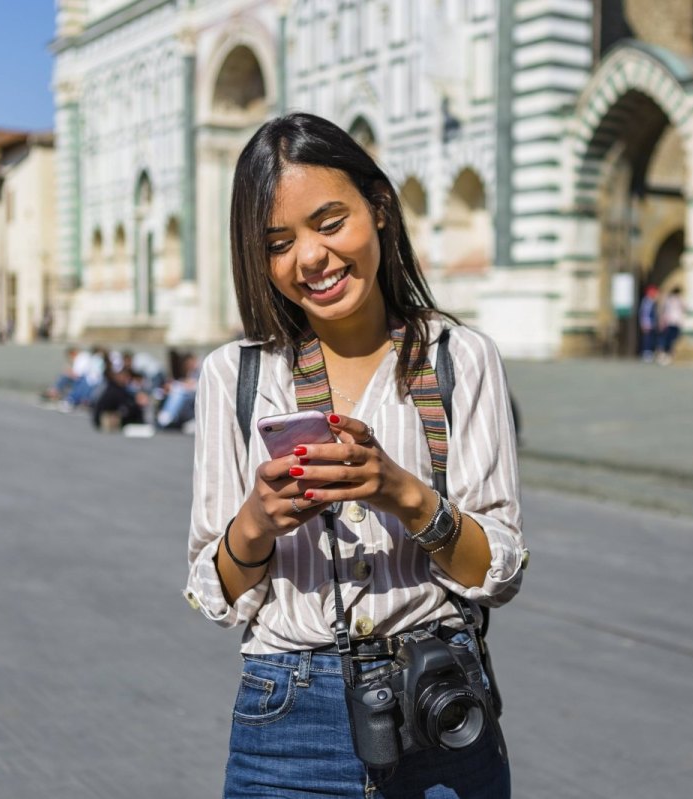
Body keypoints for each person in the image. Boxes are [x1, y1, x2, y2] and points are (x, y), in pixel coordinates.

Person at [184, 113, 524, 799]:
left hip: (437, 701)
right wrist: (257, 520)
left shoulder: (458, 359)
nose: (310, 257)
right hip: (286, 722)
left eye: (330, 222)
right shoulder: (237, 375)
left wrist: (403, 493)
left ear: (380, 208)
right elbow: (214, 594)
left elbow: (498, 571)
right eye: (279, 243)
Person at [657, 287, 685, 366]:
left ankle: (667, 354)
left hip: (672, 322)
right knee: (669, 339)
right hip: (672, 322)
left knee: (670, 339)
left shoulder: (670, 299)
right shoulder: (673, 299)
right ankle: (665, 354)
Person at [638, 285, 659, 362]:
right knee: (647, 339)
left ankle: (650, 352)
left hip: (652, 323)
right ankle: (646, 353)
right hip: (647, 323)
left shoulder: (652, 301)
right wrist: (644, 323)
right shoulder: (647, 301)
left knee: (651, 338)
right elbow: (644, 313)